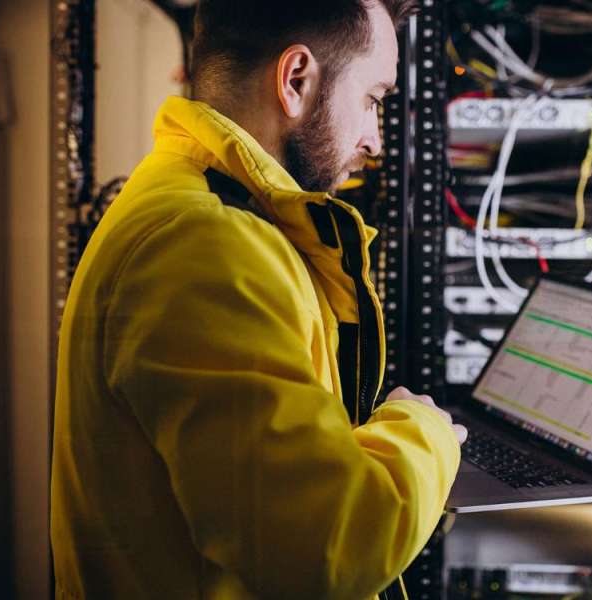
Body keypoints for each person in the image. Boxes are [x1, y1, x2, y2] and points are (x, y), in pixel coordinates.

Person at [50, 1, 467, 598]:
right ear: (295, 79)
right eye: (374, 99)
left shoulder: (208, 210)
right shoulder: (204, 246)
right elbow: (331, 545)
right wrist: (423, 429)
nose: (376, 139)